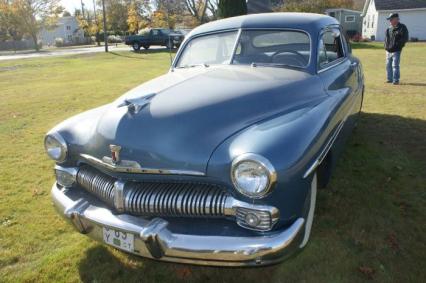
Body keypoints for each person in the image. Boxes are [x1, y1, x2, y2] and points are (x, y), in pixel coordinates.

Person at [384, 13, 409, 85]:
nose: (390, 21)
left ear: (396, 19)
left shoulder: (402, 27)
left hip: (396, 50)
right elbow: (386, 39)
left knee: (395, 65)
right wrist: (386, 47)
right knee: (388, 65)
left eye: (391, 19)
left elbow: (405, 38)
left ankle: (396, 80)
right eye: (389, 20)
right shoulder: (388, 29)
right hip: (388, 50)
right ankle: (389, 79)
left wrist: (398, 46)